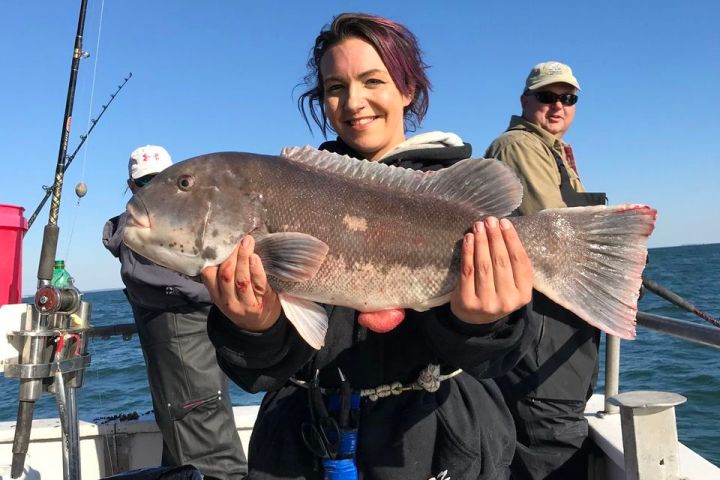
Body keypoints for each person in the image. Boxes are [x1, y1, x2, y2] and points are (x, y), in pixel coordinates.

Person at [202, 13, 539, 480]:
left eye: (372, 80)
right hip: (307, 443)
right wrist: (255, 327)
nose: (353, 101)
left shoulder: (462, 199)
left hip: (440, 439)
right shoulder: (282, 190)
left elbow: (503, 358)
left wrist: (479, 324)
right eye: (335, 87)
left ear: (407, 89)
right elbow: (257, 375)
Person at [485, 62, 608, 479]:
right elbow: (553, 230)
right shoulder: (519, 145)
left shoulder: (553, 150)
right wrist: (614, 265)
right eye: (547, 96)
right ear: (525, 100)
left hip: (560, 325)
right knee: (548, 443)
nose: (558, 106)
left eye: (568, 98)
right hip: (540, 332)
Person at [102, 145, 248, 480]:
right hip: (182, 341)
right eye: (145, 182)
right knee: (210, 458)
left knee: (184, 447)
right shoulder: (144, 230)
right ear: (131, 186)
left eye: (164, 180)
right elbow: (173, 281)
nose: (153, 188)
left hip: (195, 347)